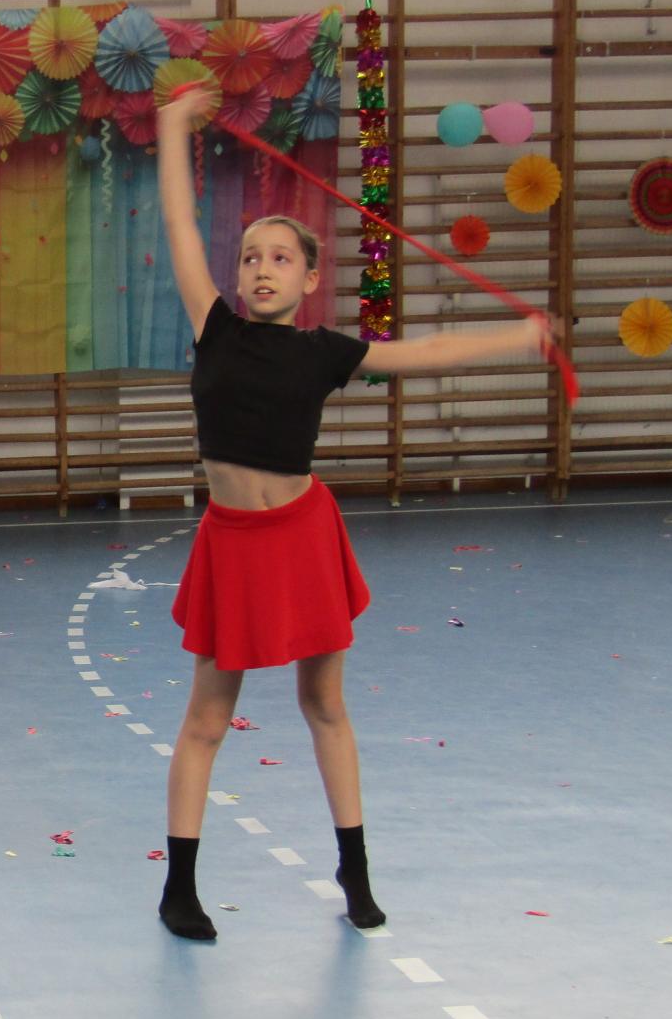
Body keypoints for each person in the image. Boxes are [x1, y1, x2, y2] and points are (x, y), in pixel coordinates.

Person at [153, 83, 559, 941]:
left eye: (279, 257)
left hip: (303, 536)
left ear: (310, 279)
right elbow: (181, 223)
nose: (260, 267)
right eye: (250, 257)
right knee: (207, 720)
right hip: (234, 543)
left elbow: (430, 351)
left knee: (325, 704)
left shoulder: (326, 352)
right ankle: (178, 888)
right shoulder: (213, 327)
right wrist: (172, 122)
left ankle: (355, 870)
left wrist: (519, 337)